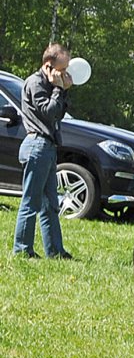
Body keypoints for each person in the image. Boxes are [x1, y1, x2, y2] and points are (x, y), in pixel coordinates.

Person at [13, 43, 73, 259]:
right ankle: (22, 249)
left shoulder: (49, 84)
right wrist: (58, 89)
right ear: (49, 65)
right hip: (36, 145)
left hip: (47, 147)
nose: (65, 74)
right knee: (31, 201)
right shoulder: (35, 83)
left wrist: (62, 92)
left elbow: (59, 114)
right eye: (62, 69)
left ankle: (55, 251)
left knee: (50, 205)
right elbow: (48, 112)